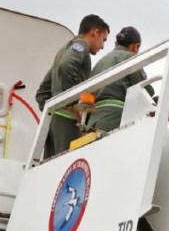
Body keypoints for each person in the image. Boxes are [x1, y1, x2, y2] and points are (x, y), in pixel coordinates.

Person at [36, 14, 110, 156]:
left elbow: (42, 92)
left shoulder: (62, 51)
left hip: (52, 122)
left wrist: (50, 113)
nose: (102, 46)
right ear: (95, 32)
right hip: (67, 121)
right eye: (103, 40)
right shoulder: (81, 46)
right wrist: (75, 103)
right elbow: (66, 66)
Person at [88, 26, 154, 133]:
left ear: (116, 44)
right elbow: (145, 91)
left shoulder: (99, 63)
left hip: (91, 122)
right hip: (115, 118)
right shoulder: (131, 58)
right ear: (136, 47)